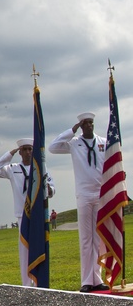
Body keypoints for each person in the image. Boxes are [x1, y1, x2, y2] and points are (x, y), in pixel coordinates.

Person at [48, 112, 108, 292]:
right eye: (85, 123)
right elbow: (53, 147)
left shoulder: (103, 142)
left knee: (98, 239)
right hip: (83, 194)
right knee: (85, 238)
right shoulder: (74, 143)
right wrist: (72, 130)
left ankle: (97, 278)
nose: (89, 126)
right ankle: (86, 281)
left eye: (91, 122)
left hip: (100, 193)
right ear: (81, 126)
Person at [0, 139, 56, 287]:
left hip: (37, 214)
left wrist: (49, 189)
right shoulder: (13, 168)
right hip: (22, 215)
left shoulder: (40, 168)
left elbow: (52, 187)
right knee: (24, 251)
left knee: (38, 246)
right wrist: (10, 152)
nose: (28, 152)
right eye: (24, 149)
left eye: (30, 149)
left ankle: (38, 281)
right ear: (20, 152)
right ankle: (26, 283)